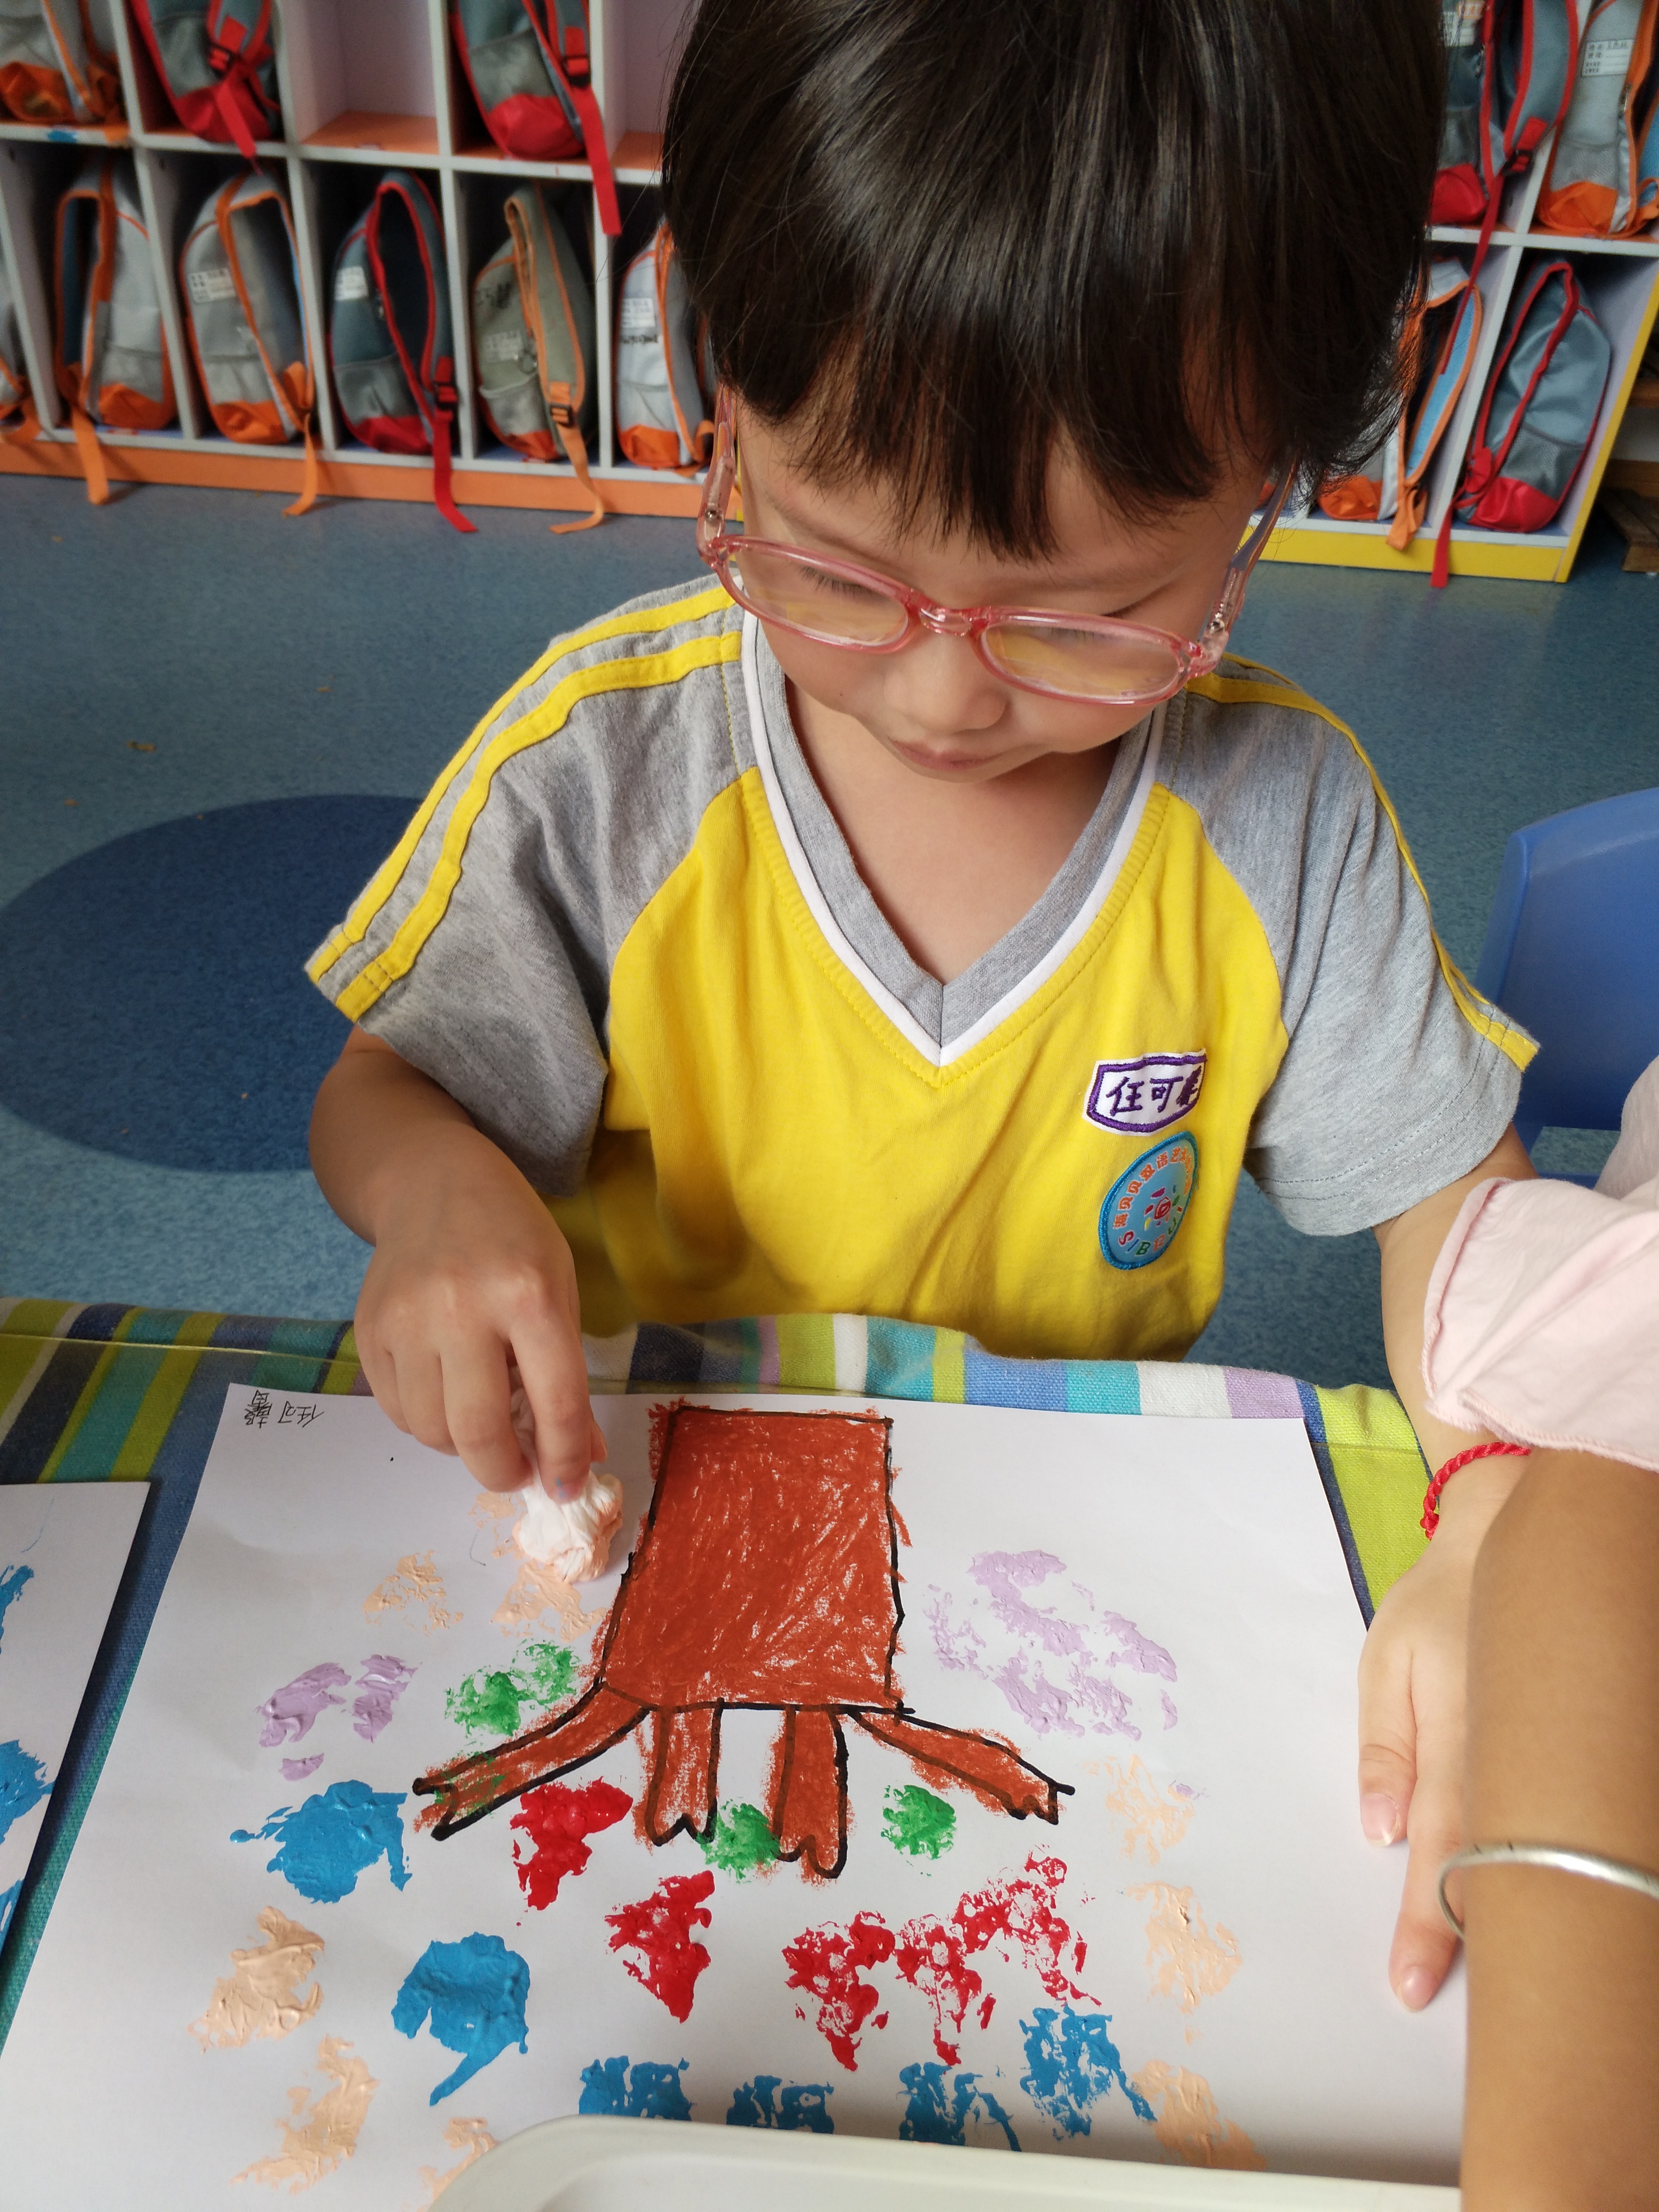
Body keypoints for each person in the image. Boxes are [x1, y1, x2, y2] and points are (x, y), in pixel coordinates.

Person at [306, 2, 1653, 2194]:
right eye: (831, 566)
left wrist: (1496, 1495)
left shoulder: (1281, 822)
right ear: (714, 376)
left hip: (1061, 1599)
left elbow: (1452, 1216)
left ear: (1269, 491)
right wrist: (439, 1194)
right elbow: (386, 1090)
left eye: (1085, 618)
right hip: (633, 1516)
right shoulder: (605, 766)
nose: (940, 688)